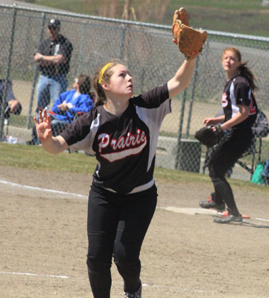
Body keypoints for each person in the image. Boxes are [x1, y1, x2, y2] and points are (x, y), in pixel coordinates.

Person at [33, 54, 198, 298]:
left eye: (129, 73)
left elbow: (179, 82)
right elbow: (57, 146)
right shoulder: (91, 121)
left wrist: (191, 57)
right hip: (104, 196)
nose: (130, 77)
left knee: (124, 256)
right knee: (97, 258)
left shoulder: (146, 106)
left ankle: (133, 290)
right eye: (122, 75)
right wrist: (46, 139)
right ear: (106, 86)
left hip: (140, 197)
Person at [198, 47, 258, 224]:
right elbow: (234, 112)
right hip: (237, 132)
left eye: (232, 59)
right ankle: (218, 201)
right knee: (217, 167)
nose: (228, 61)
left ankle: (232, 212)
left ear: (238, 63)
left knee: (215, 168)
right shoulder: (234, 82)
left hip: (240, 133)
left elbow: (245, 113)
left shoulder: (239, 83)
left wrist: (222, 127)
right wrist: (217, 120)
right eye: (226, 58)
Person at [28, 75, 94, 145]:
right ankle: (36, 140)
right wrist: (60, 107)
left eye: (75, 81)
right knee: (40, 117)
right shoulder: (69, 93)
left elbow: (87, 111)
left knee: (54, 123)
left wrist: (70, 108)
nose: (74, 82)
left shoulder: (86, 98)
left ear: (78, 84)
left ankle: (46, 143)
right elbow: (54, 108)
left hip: (69, 120)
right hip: (58, 116)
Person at [34, 18, 73, 112]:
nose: (52, 30)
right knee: (40, 106)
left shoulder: (65, 43)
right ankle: (40, 124)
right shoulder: (44, 43)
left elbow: (61, 59)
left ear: (58, 29)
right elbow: (36, 59)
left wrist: (43, 58)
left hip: (58, 78)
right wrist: (53, 59)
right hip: (44, 76)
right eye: (50, 28)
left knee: (58, 106)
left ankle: (57, 126)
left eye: (54, 28)